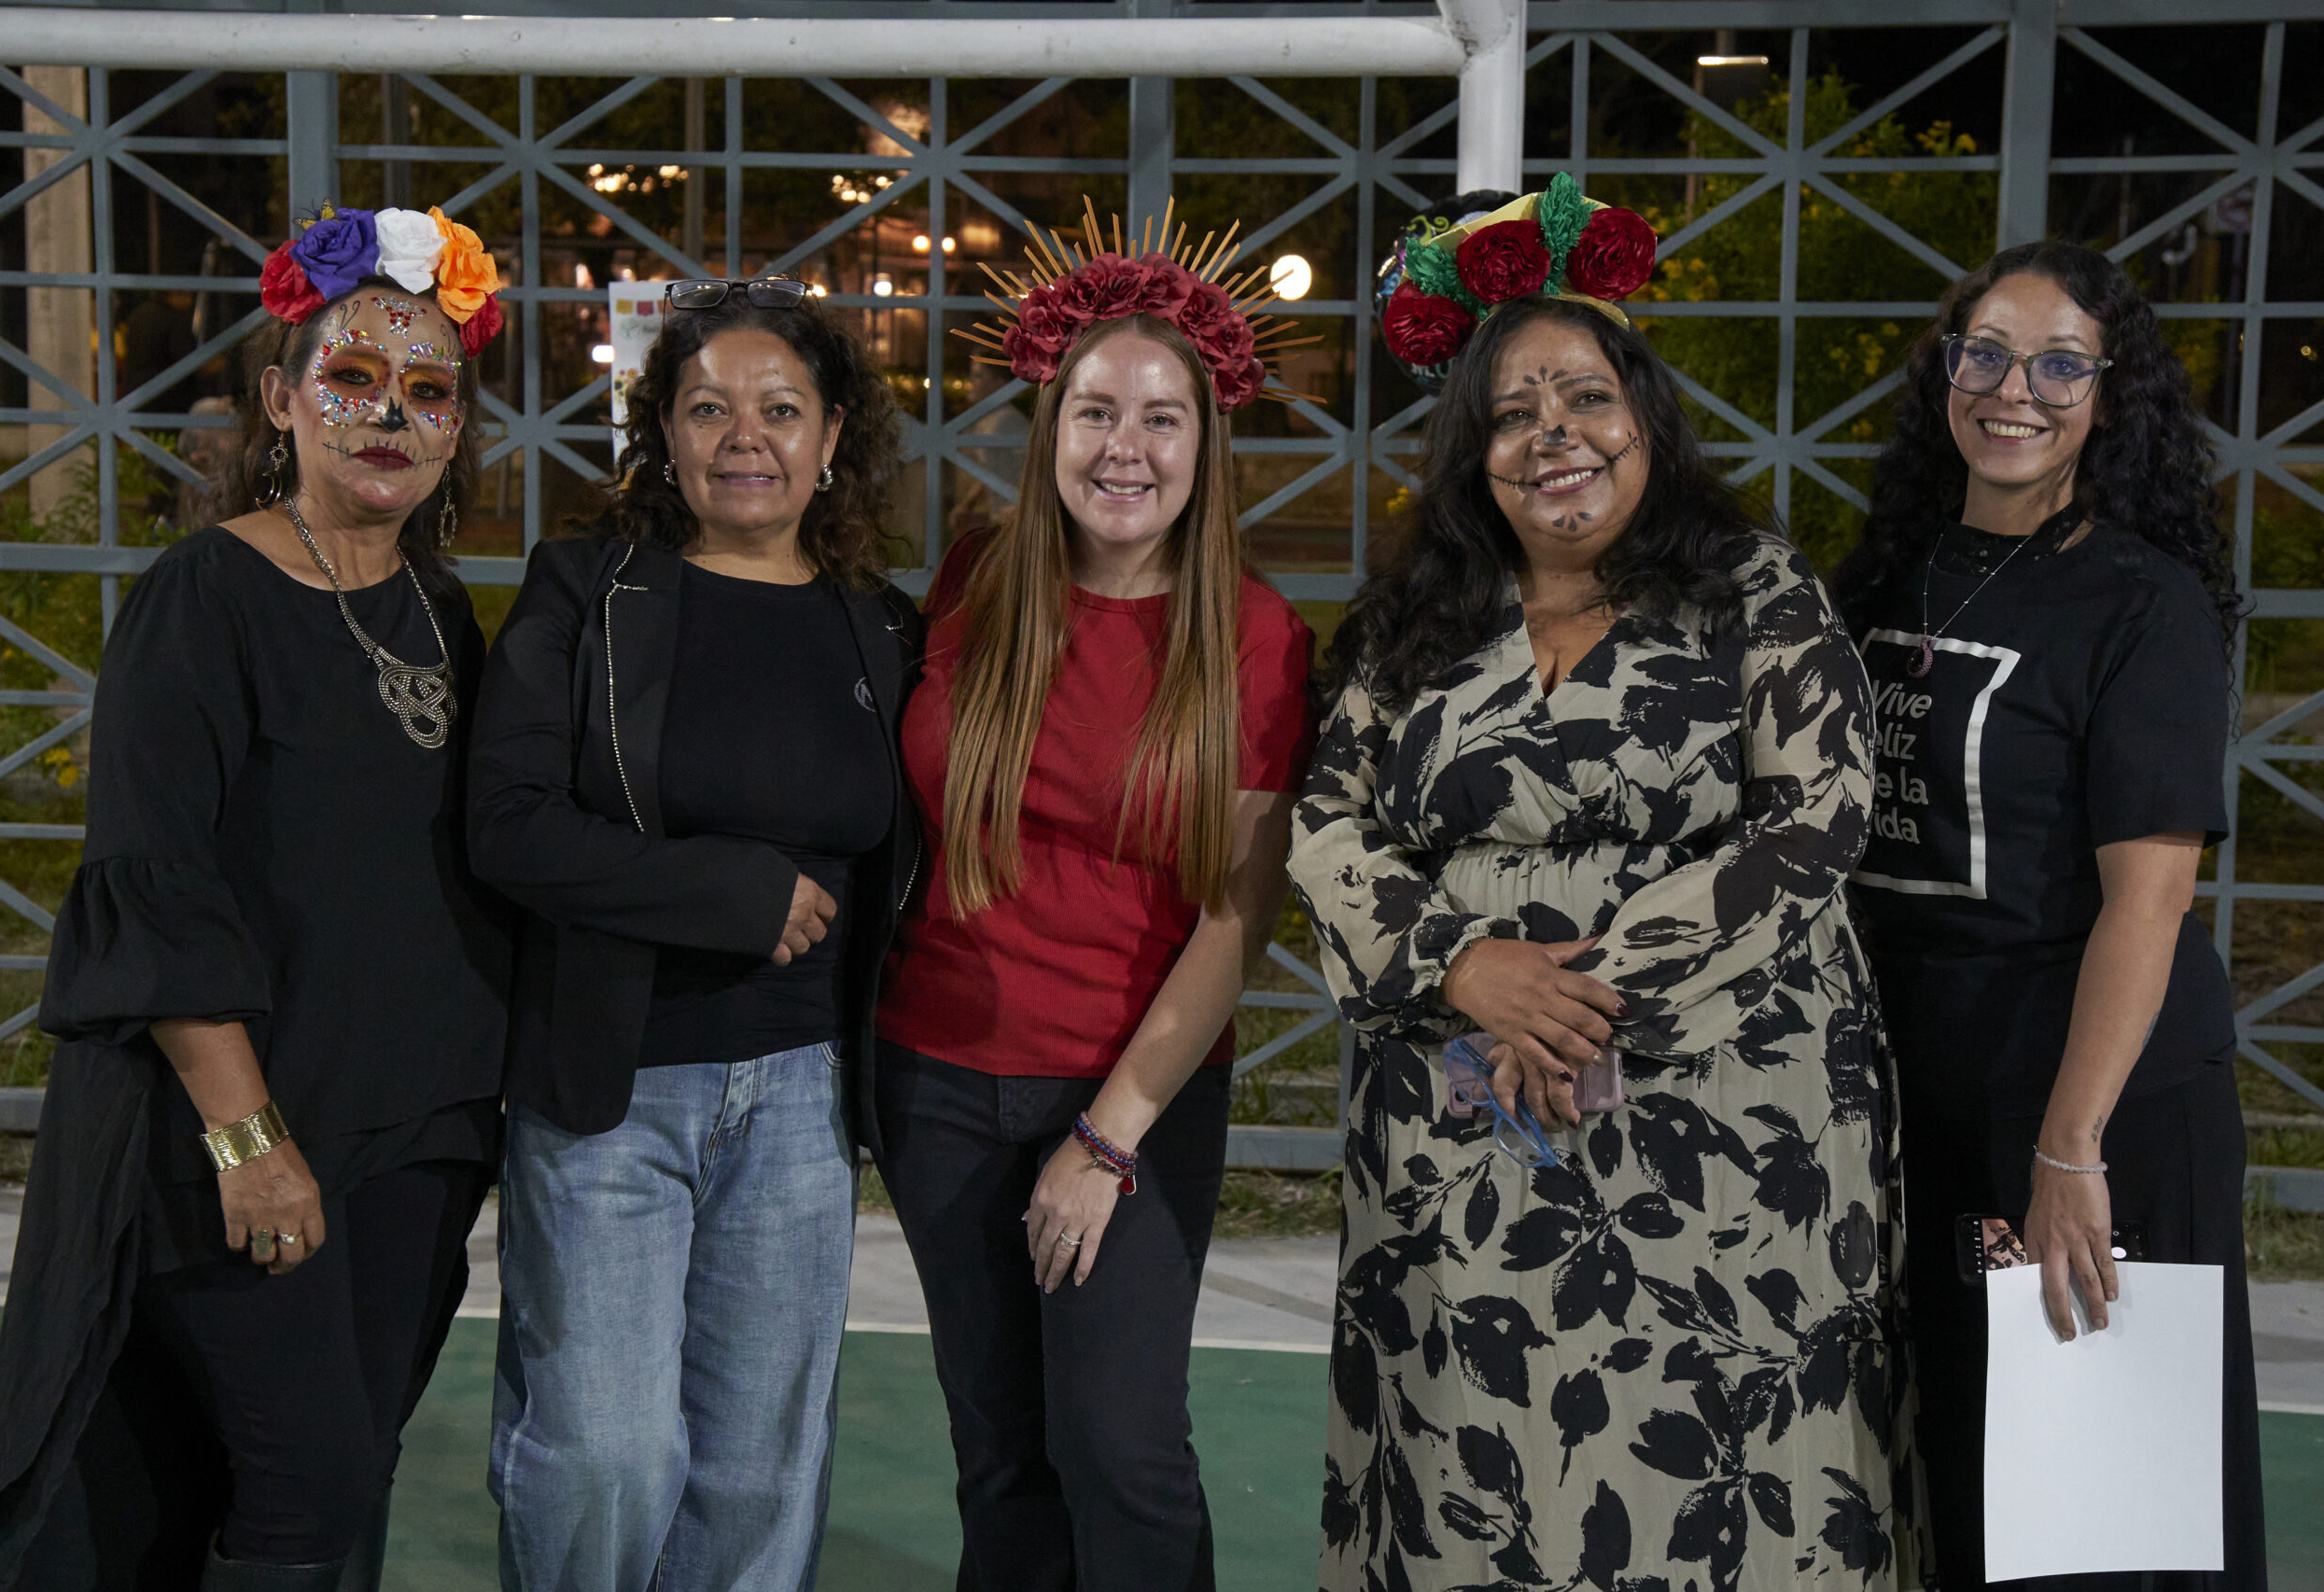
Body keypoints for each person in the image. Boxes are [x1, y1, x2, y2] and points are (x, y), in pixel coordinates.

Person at [1293, 181, 1925, 1591]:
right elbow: (1329, 822)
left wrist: (1583, 997)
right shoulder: (1417, 620)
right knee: (1483, 1445)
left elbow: (1818, 813)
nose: (1553, 433)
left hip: (1732, 1111)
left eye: (1587, 397)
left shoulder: (1752, 589)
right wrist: (1467, 968)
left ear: (1648, 418)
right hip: (1463, 1116)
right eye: (1512, 412)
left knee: (1724, 1458)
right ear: (1471, 450)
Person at [0, 204, 511, 1591]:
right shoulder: (204, 597)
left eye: (429, 390)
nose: (391, 417)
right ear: (279, 398)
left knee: (349, 1471)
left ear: (459, 427)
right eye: (353, 380)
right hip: (249, 1133)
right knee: (307, 1482)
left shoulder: (441, 610)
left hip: (418, 1133)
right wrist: (248, 1138)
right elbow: (157, 882)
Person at [869, 206, 1317, 1591]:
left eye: (1162, 418)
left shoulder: (1253, 635)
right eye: (1097, 412)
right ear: (1050, 428)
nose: (1127, 447)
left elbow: (1236, 920)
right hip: (938, 1076)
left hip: (1133, 1092)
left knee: (1122, 1455)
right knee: (1001, 1451)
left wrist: (1108, 1138)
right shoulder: (974, 581)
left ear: (1207, 443)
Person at [467, 275, 916, 1591]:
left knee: (761, 1470)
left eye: (780, 408)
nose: (744, 436)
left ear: (832, 436)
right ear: (660, 430)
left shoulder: (884, 626)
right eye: (708, 407)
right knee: (604, 1452)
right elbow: (507, 824)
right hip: (612, 1093)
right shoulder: (585, 592)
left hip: (801, 1102)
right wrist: (730, 894)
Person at [1832, 241, 2262, 1591]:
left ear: (2109, 394)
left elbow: (2153, 897)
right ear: (1944, 373)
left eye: (2061, 364)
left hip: (2096, 1108)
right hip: (1935, 1101)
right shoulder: (1888, 578)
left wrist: (2072, 1149)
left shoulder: (2141, 601)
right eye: (1988, 353)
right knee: (1965, 1489)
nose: (2015, 390)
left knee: (2094, 1526)